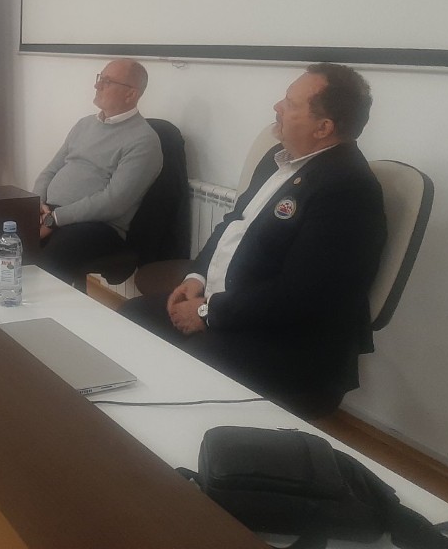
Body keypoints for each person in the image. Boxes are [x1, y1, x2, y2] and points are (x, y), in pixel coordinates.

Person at [121, 63, 386, 417]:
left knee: (185, 373)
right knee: (131, 317)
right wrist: (196, 277)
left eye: (290, 103)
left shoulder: (348, 190)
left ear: (323, 128)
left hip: (288, 343)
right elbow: (233, 224)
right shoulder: (278, 161)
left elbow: (299, 297)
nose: (277, 107)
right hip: (232, 308)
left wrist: (207, 312)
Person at [32, 59, 163, 288]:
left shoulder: (144, 141)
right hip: (52, 212)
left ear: (131, 94)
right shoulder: (84, 125)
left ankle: (45, 309)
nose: (97, 85)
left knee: (51, 260)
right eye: (100, 78)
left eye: (107, 81)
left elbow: (114, 202)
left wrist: (54, 219)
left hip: (98, 226)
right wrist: (37, 204)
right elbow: (50, 170)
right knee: (3, 233)